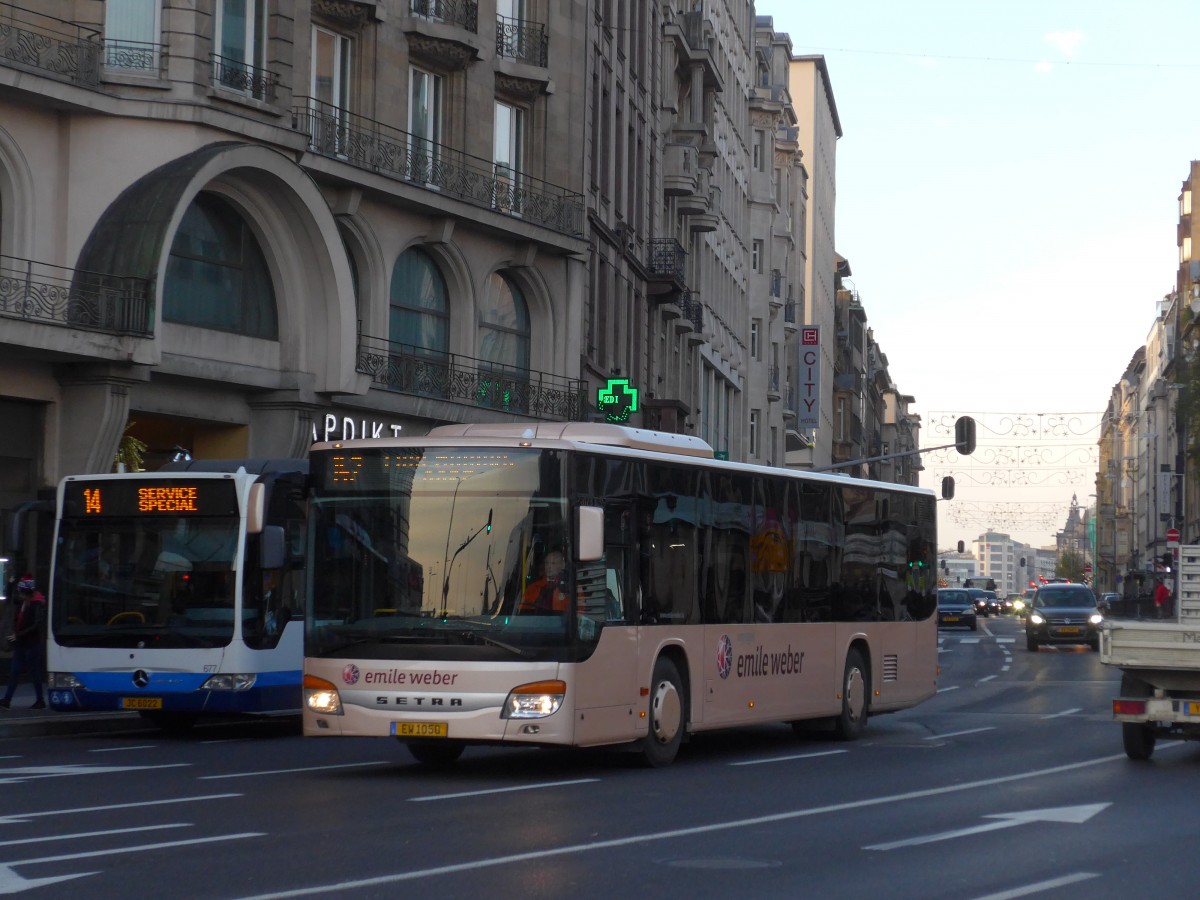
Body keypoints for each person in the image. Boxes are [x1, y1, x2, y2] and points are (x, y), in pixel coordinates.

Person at [1, 575, 47, 710]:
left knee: (34, 672)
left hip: (32, 643)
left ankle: (40, 699)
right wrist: (10, 583)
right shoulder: (22, 602)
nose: (19, 595)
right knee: (15, 671)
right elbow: (10, 597)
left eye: (21, 592)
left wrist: (18, 635)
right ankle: (7, 699)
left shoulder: (37, 604)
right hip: (21, 642)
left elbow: (36, 625)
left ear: (26, 593)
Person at [519, 549, 570, 614]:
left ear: (562, 565)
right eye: (547, 563)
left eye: (553, 563)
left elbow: (579, 616)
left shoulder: (571, 588)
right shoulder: (533, 588)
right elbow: (523, 614)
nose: (549, 566)